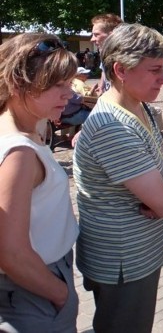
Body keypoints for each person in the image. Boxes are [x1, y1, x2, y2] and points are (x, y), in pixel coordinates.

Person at [73, 24, 163, 333]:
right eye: (155, 70)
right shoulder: (112, 127)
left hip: (138, 254)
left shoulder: (140, 109)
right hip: (123, 263)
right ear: (120, 70)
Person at [0, 34, 79, 332]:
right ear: (18, 84)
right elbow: (11, 253)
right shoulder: (17, 153)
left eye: (69, 84)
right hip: (33, 289)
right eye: (58, 85)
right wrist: (60, 294)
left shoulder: (23, 129)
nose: (69, 95)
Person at [90, 13, 123, 96]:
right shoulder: (104, 53)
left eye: (96, 34)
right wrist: (101, 86)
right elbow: (104, 70)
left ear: (112, 35)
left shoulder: (124, 57)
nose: (92, 39)